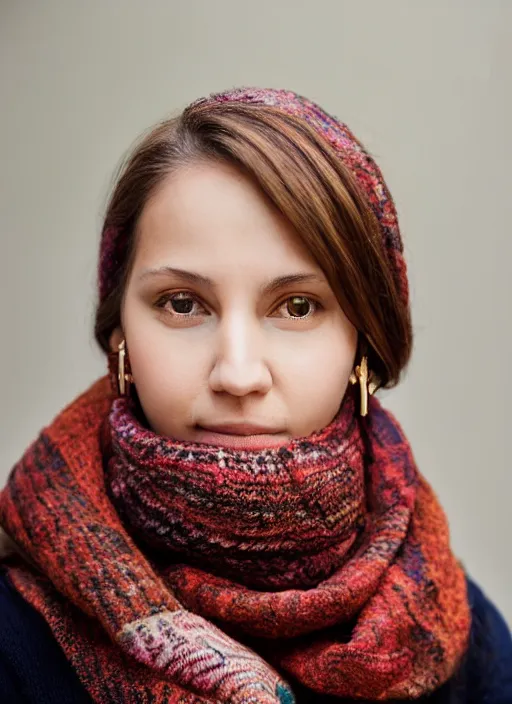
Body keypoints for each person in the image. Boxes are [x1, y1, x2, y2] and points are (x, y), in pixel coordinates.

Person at [0, 87, 510, 704]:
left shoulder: (456, 632)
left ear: (363, 344)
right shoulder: (12, 634)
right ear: (119, 337)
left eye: (297, 306)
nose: (238, 374)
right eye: (183, 304)